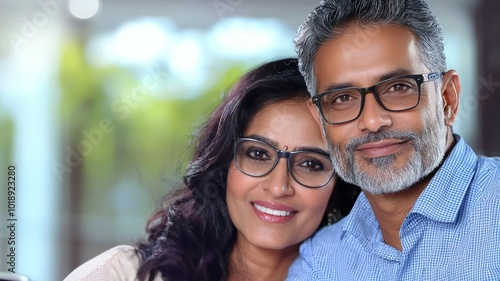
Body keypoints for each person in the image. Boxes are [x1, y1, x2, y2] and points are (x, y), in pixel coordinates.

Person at [63, 58, 359, 281]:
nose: (279, 186)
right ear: (224, 165)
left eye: (311, 164)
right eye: (257, 153)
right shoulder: (122, 274)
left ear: (339, 185)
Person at [286, 0, 500, 280]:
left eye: (399, 87)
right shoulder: (320, 263)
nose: (373, 122)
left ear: (448, 99)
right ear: (320, 120)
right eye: (343, 98)